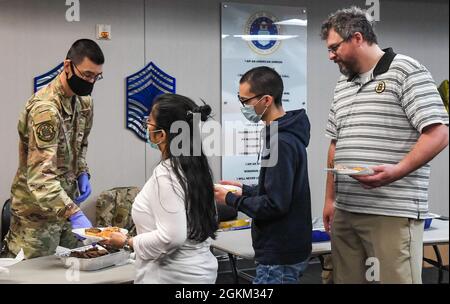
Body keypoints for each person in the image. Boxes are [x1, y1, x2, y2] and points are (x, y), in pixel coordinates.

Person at [321, 7, 449, 283]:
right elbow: (335, 143)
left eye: (334, 48)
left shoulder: (406, 70)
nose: (330, 56)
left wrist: (397, 170)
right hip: (347, 209)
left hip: (391, 211)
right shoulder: (343, 84)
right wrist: (330, 199)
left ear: (356, 38)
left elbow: (438, 133)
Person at [2, 39, 104, 259]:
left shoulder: (84, 102)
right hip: (35, 219)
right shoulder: (45, 110)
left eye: (97, 76)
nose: (91, 82)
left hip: (65, 207)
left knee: (74, 269)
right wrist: (75, 213)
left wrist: (82, 172)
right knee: (32, 278)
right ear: (67, 66)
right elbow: (40, 178)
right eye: (87, 75)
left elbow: (80, 145)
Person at [104, 93, 218, 284]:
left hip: (170, 276)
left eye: (149, 121)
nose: (146, 126)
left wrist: (127, 242)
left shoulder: (166, 173)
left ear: (161, 135)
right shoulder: (197, 167)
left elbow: (172, 237)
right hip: (199, 272)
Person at [214, 66, 312, 284]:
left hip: (279, 254)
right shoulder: (278, 135)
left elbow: (275, 204)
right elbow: (276, 189)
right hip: (283, 249)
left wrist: (231, 199)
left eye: (245, 101)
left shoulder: (280, 141)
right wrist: (243, 189)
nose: (242, 107)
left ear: (266, 100)